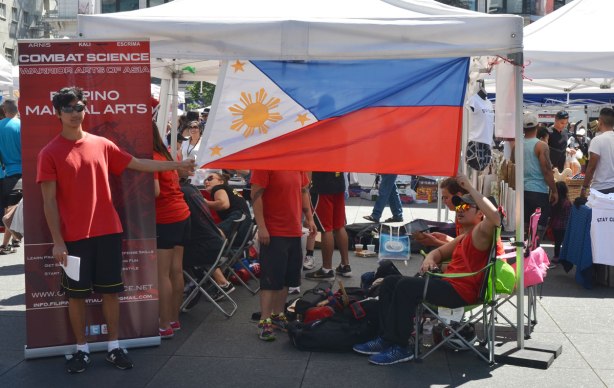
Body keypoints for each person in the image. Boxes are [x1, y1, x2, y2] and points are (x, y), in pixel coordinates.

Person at [37, 86, 196, 374]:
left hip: (108, 232)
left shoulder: (102, 144)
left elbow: (137, 164)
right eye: (69, 108)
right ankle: (81, 349)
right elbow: (48, 202)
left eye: (80, 107)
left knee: (111, 292)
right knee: (76, 295)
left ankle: (113, 346)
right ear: (57, 113)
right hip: (73, 238)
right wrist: (58, 242)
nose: (76, 113)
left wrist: (178, 165)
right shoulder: (49, 152)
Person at [352, 174, 502, 365]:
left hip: (461, 291)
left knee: (406, 286)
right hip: (449, 284)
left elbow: (496, 217)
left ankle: (401, 346)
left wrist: (471, 188)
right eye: (459, 205)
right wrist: (429, 259)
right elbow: (439, 252)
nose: (459, 209)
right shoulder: (467, 234)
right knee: (390, 282)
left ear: (480, 212)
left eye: (466, 206)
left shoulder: (483, 231)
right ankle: (386, 339)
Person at [250, 170, 316, 341]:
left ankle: (278, 316)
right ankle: (265, 320)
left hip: (294, 230)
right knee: (271, 279)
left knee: (286, 278)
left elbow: (303, 191)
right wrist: (262, 227)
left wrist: (309, 218)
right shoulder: (264, 165)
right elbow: (256, 196)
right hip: (274, 231)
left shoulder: (296, 163)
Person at [152, 122, 191, 339]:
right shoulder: (164, 154)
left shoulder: (151, 158)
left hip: (165, 218)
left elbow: (154, 192)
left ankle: (164, 324)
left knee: (162, 273)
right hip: (182, 214)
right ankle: (173, 319)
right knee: (176, 270)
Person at [305, 172, 352, 279]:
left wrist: (306, 186)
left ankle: (327, 269)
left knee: (326, 229)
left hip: (322, 186)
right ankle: (345, 265)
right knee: (339, 226)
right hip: (339, 183)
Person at [520, 113, 558, 236]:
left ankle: (526, 254)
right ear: (537, 126)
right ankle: (533, 254)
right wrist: (554, 190)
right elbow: (546, 170)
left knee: (524, 230)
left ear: (523, 129)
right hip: (538, 191)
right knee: (537, 231)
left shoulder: (518, 145)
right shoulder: (541, 145)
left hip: (521, 191)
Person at [412, 177, 468, 248]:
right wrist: (444, 237)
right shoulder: (461, 211)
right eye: (442, 198)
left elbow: (462, 249)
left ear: (459, 196)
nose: (444, 201)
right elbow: (459, 243)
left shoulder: (468, 216)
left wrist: (436, 242)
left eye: (446, 198)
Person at [203, 171, 252, 243]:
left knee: (211, 235)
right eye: (205, 180)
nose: (206, 181)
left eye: (210, 178)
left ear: (221, 182)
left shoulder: (218, 187)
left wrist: (204, 202)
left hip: (237, 221)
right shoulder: (230, 190)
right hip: (245, 229)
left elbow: (223, 204)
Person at [0, 99, 22, 253]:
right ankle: (10, 241)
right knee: (12, 211)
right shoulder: (21, 125)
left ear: (3, 109)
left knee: (11, 208)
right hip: (24, 172)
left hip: (8, 172)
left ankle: (10, 241)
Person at [581, 107, 614, 196]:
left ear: (600, 121)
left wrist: (584, 187)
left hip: (601, 188)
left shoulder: (597, 140)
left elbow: (591, 167)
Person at [549, 181, 571, 267]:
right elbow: (569, 215)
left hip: (555, 225)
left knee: (557, 243)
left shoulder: (554, 201)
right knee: (564, 243)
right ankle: (564, 258)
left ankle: (556, 257)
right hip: (564, 226)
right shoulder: (567, 203)